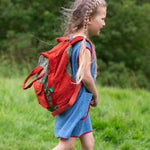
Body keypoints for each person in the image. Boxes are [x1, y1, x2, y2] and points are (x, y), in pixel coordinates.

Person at [53, 0, 107, 150]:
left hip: (77, 101)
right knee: (66, 146)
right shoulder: (84, 45)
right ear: (89, 19)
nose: (104, 24)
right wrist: (95, 95)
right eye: (102, 19)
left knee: (89, 143)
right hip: (75, 103)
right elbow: (85, 76)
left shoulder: (70, 39)